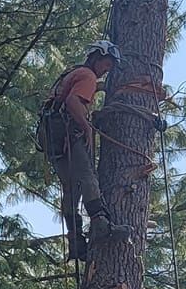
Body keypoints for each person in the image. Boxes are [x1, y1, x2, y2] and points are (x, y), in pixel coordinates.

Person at [37, 39, 129, 260]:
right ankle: (100, 223)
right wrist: (86, 127)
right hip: (69, 132)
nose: (106, 70)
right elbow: (73, 102)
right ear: (97, 57)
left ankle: (76, 242)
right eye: (106, 64)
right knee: (88, 177)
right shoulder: (87, 75)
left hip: (51, 136)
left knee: (71, 188)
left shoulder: (74, 73)